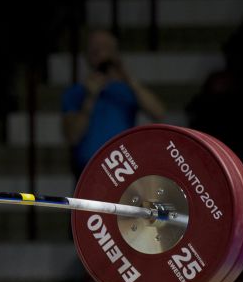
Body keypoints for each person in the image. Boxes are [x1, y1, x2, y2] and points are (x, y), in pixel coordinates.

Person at [61, 29, 165, 180]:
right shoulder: (75, 93)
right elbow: (72, 136)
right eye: (95, 49)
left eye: (107, 48)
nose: (102, 54)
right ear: (88, 55)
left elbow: (159, 112)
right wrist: (90, 98)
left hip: (123, 169)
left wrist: (127, 76)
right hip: (88, 171)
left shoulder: (127, 89)